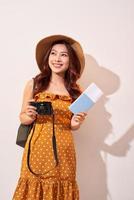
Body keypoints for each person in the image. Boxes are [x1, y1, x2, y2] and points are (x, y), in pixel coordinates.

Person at [12, 34, 87, 200]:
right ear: (48, 58)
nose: (57, 59)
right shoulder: (35, 84)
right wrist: (29, 115)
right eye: (53, 53)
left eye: (64, 54)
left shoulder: (76, 90)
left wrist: (75, 122)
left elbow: (73, 126)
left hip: (64, 150)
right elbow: (22, 117)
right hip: (37, 147)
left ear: (70, 61)